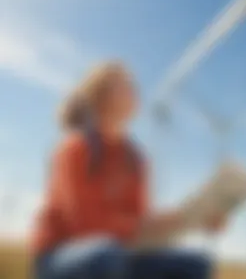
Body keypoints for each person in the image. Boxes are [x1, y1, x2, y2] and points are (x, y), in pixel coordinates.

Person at [31, 61, 225, 279]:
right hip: (60, 256)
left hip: (117, 254)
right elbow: (85, 224)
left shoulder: (136, 159)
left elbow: (140, 221)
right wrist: (156, 226)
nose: (134, 91)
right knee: (106, 254)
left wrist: (194, 219)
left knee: (196, 263)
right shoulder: (75, 148)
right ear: (101, 95)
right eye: (124, 85)